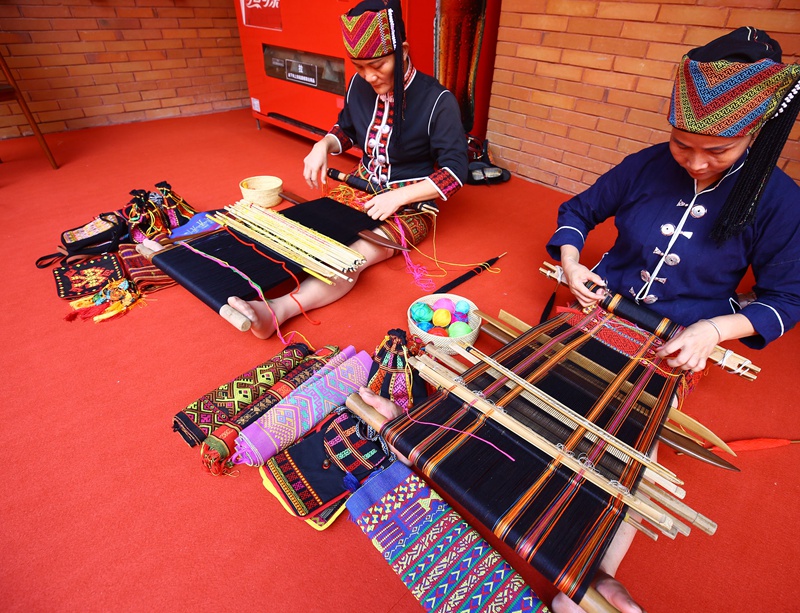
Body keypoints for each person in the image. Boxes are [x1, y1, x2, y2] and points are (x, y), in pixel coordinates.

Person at [545, 26, 800, 613]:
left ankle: (595, 576)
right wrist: (572, 263)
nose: (694, 162)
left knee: (636, 437)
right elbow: (578, 211)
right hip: (603, 305)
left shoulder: (780, 200)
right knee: (545, 392)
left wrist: (712, 331)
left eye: (719, 151)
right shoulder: (646, 165)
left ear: (755, 133)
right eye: (683, 145)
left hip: (676, 335)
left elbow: (788, 297)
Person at [230, 0, 468, 339]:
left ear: (402, 51)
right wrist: (322, 145)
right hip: (359, 187)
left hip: (412, 205)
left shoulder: (437, 100)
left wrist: (400, 197)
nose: (369, 75)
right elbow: (347, 130)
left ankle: (278, 310)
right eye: (359, 66)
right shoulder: (360, 85)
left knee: (352, 255)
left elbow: (456, 171)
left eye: (378, 64)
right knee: (303, 230)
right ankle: (246, 276)